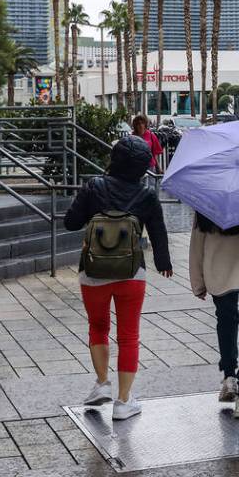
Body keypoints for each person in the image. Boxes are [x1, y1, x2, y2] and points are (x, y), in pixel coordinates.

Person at [64, 136, 172, 420]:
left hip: (93, 271)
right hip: (132, 273)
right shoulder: (147, 194)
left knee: (98, 326)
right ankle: (124, 401)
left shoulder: (94, 187)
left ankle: (102, 384)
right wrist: (164, 263)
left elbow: (70, 222)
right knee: (129, 335)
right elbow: (159, 233)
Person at [189, 213, 239, 419]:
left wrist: (197, 281)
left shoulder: (208, 197)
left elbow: (197, 241)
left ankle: (229, 375)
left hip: (218, 269)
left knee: (226, 321)